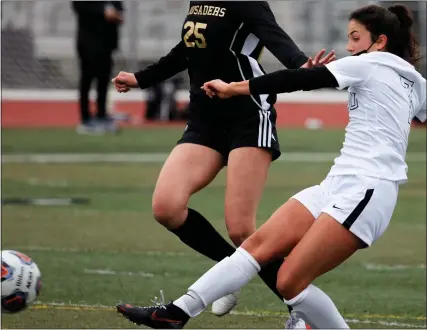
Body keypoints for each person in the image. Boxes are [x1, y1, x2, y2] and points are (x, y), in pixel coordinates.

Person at [115, 4, 426, 329]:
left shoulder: (371, 65)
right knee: (255, 246)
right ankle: (176, 313)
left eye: (355, 38)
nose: (348, 48)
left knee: (290, 282)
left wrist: (234, 87)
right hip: (338, 183)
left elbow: (299, 80)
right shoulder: (411, 80)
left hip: (368, 191)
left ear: (379, 42)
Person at [112, 1, 334, 319]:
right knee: (166, 207)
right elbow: (190, 46)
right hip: (205, 116)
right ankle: (227, 273)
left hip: (246, 111)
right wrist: (142, 78)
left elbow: (274, 37)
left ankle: (301, 313)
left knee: (243, 230)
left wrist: (304, 66)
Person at [72, 1, 124, 134]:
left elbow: (119, 9)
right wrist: (102, 12)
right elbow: (79, 7)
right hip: (88, 42)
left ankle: (102, 114)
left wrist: (117, 15)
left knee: (103, 80)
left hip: (107, 43)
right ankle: (86, 118)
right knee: (87, 80)